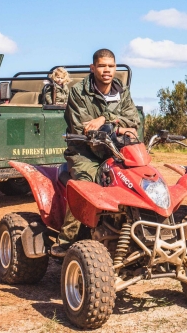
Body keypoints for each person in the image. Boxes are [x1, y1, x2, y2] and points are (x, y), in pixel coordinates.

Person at [51, 49, 140, 257]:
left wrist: (105, 120)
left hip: (116, 151)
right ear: (93, 68)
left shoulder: (122, 91)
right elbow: (86, 129)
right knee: (86, 187)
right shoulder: (78, 92)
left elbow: (133, 120)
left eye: (110, 66)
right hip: (84, 153)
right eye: (102, 66)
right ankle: (66, 242)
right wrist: (118, 125)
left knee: (139, 182)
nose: (106, 70)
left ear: (115, 68)